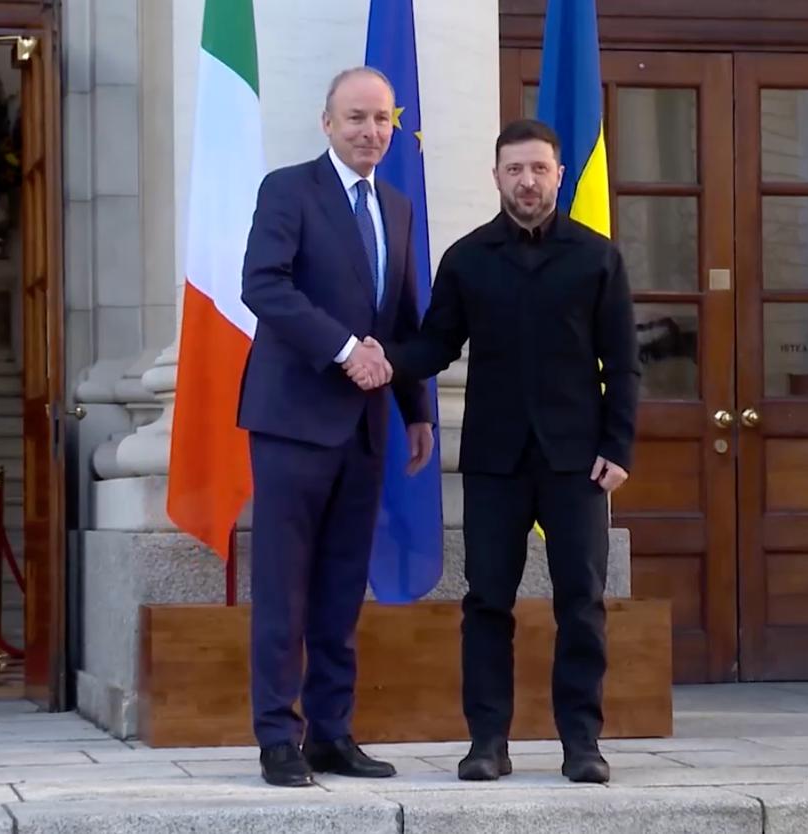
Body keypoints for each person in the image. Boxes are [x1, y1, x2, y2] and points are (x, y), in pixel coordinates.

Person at [350, 118, 639, 784]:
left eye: (538, 169)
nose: (527, 181)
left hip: (577, 461)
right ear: (497, 177)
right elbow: (434, 345)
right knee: (486, 602)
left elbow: (624, 363)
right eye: (515, 170)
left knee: (581, 602)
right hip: (493, 460)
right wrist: (380, 358)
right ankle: (487, 742)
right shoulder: (468, 258)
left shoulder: (598, 257)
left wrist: (618, 445)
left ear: (558, 176)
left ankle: (582, 745)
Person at [238, 66, 435, 788]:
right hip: (293, 421)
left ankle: (331, 733)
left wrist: (417, 410)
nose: (370, 131)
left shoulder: (398, 206)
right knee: (284, 587)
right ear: (327, 123)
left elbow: (403, 317)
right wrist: (346, 350)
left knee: (342, 587)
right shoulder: (289, 190)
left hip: (366, 429)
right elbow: (263, 285)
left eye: (382, 119)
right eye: (356, 118)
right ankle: (277, 738)